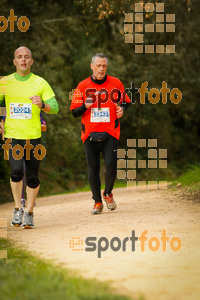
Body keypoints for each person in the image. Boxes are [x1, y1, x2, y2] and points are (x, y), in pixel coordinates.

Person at [0, 46, 59, 228]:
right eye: (19, 57)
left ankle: (30, 212)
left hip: (33, 137)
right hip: (12, 136)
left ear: (32, 61)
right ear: (14, 61)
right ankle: (17, 208)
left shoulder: (40, 83)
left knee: (32, 177)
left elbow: (55, 107)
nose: (23, 60)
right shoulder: (5, 82)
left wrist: (42, 105)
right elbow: (1, 104)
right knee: (17, 171)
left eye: (26, 57)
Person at [70, 53, 131, 215]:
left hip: (110, 131)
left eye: (104, 66)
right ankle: (97, 202)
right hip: (89, 134)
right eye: (98, 65)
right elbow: (74, 112)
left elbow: (126, 101)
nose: (101, 69)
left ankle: (108, 193)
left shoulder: (115, 83)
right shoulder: (82, 86)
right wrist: (85, 105)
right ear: (92, 66)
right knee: (93, 169)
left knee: (112, 165)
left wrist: (121, 109)